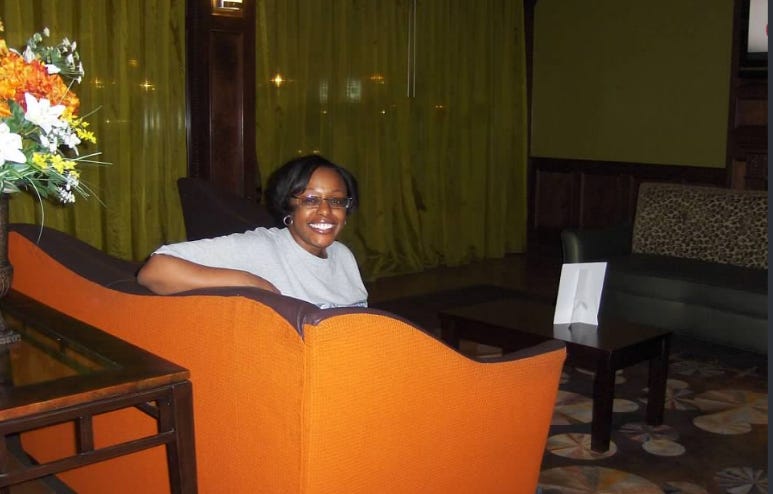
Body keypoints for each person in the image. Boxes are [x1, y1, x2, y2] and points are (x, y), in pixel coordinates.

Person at [137, 154, 368, 308]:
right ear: (289, 206)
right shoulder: (264, 247)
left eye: (336, 201)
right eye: (310, 200)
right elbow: (155, 271)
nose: (325, 211)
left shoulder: (342, 255)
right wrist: (250, 281)